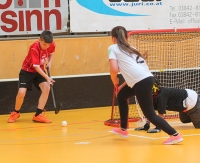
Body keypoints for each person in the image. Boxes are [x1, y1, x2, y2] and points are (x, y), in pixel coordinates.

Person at [108, 26, 183, 145]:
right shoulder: (132, 48)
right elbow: (133, 72)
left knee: (150, 114)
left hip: (141, 82)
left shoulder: (113, 48)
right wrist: (121, 86)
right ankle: (123, 129)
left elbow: (114, 69)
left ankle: (175, 135)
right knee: (122, 96)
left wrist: (114, 80)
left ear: (113, 39)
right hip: (147, 78)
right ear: (127, 37)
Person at [7, 30, 56, 123]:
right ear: (39, 40)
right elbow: (36, 67)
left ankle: (38, 115)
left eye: (48, 45)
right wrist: (47, 77)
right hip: (27, 70)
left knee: (46, 87)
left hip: (40, 70)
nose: (47, 47)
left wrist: (50, 62)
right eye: (44, 44)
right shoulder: (34, 47)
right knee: (21, 93)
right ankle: (15, 112)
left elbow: (52, 52)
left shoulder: (51, 44)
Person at [135, 77, 200, 133]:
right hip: (184, 105)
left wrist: (158, 128)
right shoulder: (154, 97)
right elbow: (150, 113)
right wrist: (146, 125)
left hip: (192, 100)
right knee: (184, 120)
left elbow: (161, 115)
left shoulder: (161, 96)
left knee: (198, 125)